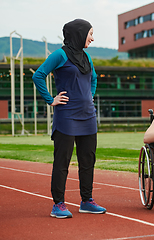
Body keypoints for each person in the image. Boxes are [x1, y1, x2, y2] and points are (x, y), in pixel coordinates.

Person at [32, 19, 106, 218]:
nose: (92, 37)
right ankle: (58, 204)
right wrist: (50, 99)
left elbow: (94, 78)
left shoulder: (86, 57)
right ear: (79, 33)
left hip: (88, 116)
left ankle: (86, 201)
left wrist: (90, 95)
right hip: (67, 116)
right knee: (62, 162)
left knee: (88, 160)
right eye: (90, 33)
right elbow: (38, 75)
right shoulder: (60, 54)